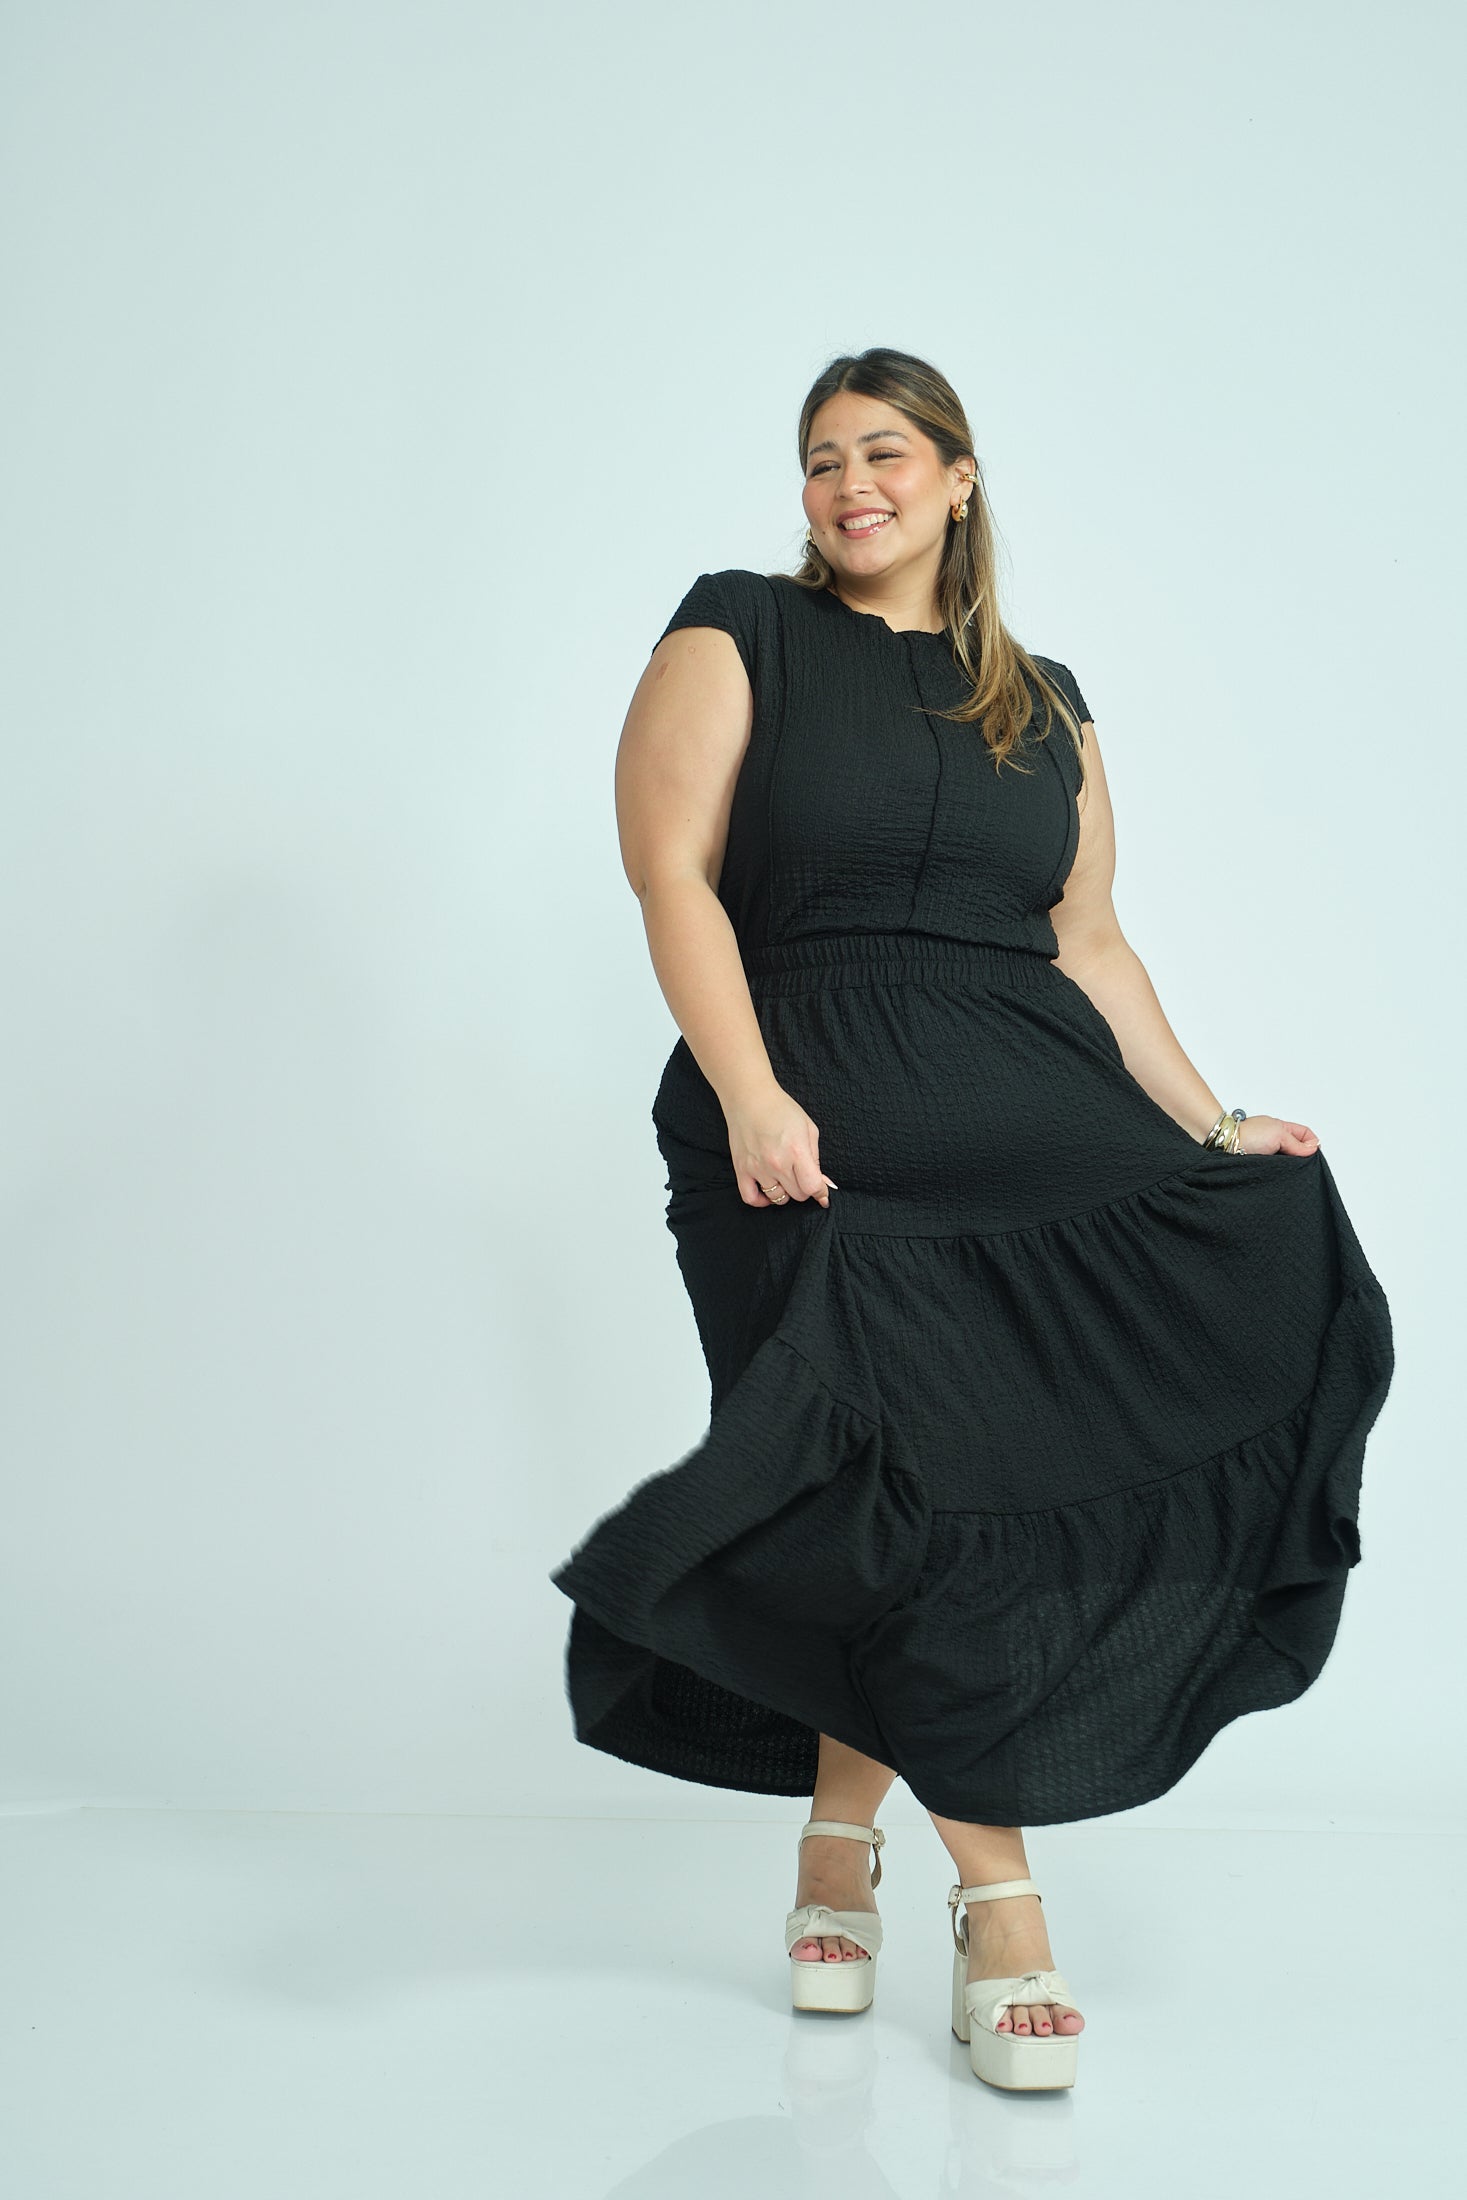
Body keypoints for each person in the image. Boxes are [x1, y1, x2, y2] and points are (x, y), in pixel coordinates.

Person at [549, 347, 1395, 2091]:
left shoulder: (1047, 699)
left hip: (1026, 1117)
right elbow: (669, 871)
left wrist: (1213, 1125)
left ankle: (834, 1854)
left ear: (958, 476)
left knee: (953, 1492)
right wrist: (752, 1093)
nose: (848, 484)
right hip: (804, 1130)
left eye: (883, 451)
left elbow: (1089, 944)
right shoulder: (736, 629)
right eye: (819, 459)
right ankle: (1001, 1904)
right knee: (874, 1493)